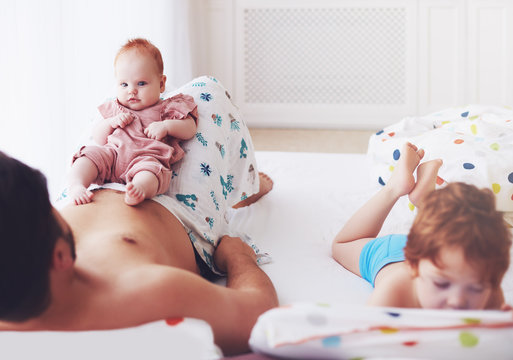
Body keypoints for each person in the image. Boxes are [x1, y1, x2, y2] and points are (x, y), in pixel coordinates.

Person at [0, 75, 278, 355]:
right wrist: (237, 257)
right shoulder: (146, 292)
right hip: (175, 204)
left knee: (119, 108)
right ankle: (244, 189)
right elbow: (258, 317)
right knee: (206, 89)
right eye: (48, 211)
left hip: (89, 183)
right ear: (60, 257)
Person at [332, 142, 512, 310]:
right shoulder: (392, 295)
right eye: (441, 284)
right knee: (341, 245)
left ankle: (425, 199)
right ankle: (394, 188)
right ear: (413, 267)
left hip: (439, 245)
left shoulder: (490, 293)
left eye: (476, 288)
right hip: (388, 254)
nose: (457, 301)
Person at [68, 38, 198, 206]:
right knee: (88, 156)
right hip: (112, 156)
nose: (132, 91)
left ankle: (139, 189)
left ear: (161, 84)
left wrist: (166, 126)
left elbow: (190, 128)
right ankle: (76, 185)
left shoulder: (169, 108)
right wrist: (111, 123)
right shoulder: (116, 108)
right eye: (124, 84)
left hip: (145, 158)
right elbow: (99, 138)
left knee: (152, 172)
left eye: (141, 83)